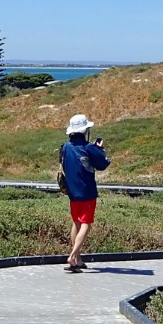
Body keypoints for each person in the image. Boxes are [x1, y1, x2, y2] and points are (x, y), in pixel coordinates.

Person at [61, 113, 109, 272]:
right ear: (85, 130)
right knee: (86, 224)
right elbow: (102, 164)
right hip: (87, 191)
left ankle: (78, 259)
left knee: (76, 222)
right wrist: (100, 149)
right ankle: (73, 256)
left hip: (72, 191)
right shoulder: (88, 147)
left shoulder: (65, 147)